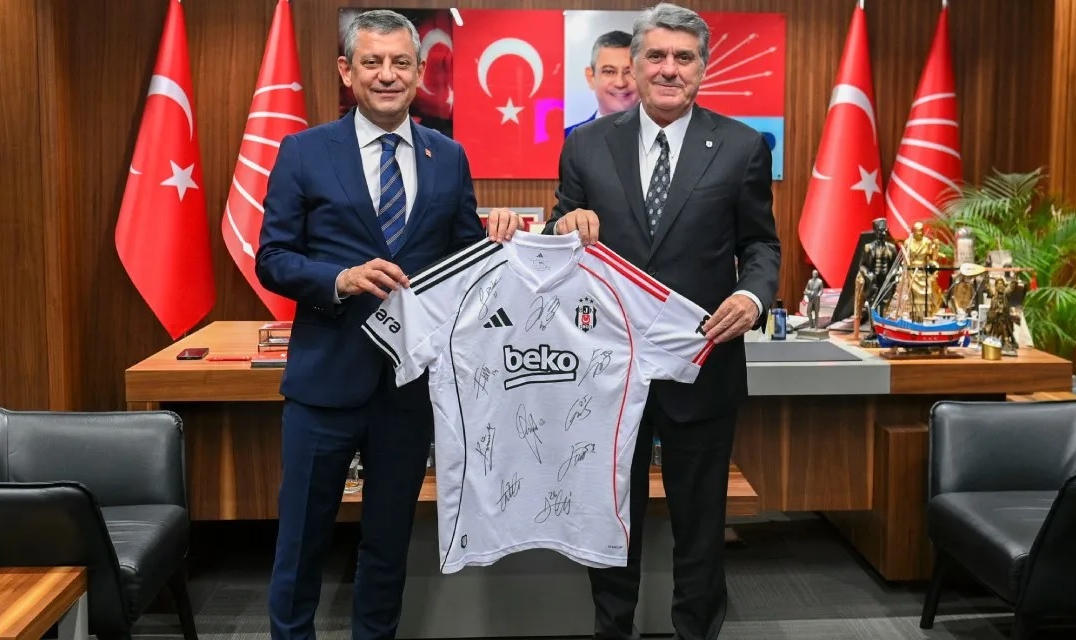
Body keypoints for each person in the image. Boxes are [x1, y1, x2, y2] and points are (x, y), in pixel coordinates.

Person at [255, 10, 521, 640]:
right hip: (324, 384)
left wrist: (500, 241)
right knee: (301, 541)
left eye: (401, 62)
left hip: (410, 389)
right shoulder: (303, 151)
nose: (387, 74)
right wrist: (339, 279)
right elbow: (273, 258)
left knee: (388, 541)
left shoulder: (448, 156)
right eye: (371, 62)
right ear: (346, 71)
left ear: (420, 72)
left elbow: (465, 264)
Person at [545, 3, 780, 638]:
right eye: (657, 56)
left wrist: (753, 296)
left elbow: (761, 244)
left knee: (700, 527)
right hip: (606, 375)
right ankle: (612, 629)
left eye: (684, 57)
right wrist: (564, 226)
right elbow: (559, 234)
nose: (669, 69)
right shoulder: (586, 144)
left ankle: (696, 631)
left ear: (702, 68)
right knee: (609, 521)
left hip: (701, 366)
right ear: (635, 64)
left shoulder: (741, 146)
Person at [565, 30, 639, 137]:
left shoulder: (661, 139)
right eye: (609, 71)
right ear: (591, 77)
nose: (620, 83)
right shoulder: (566, 140)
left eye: (629, 72)